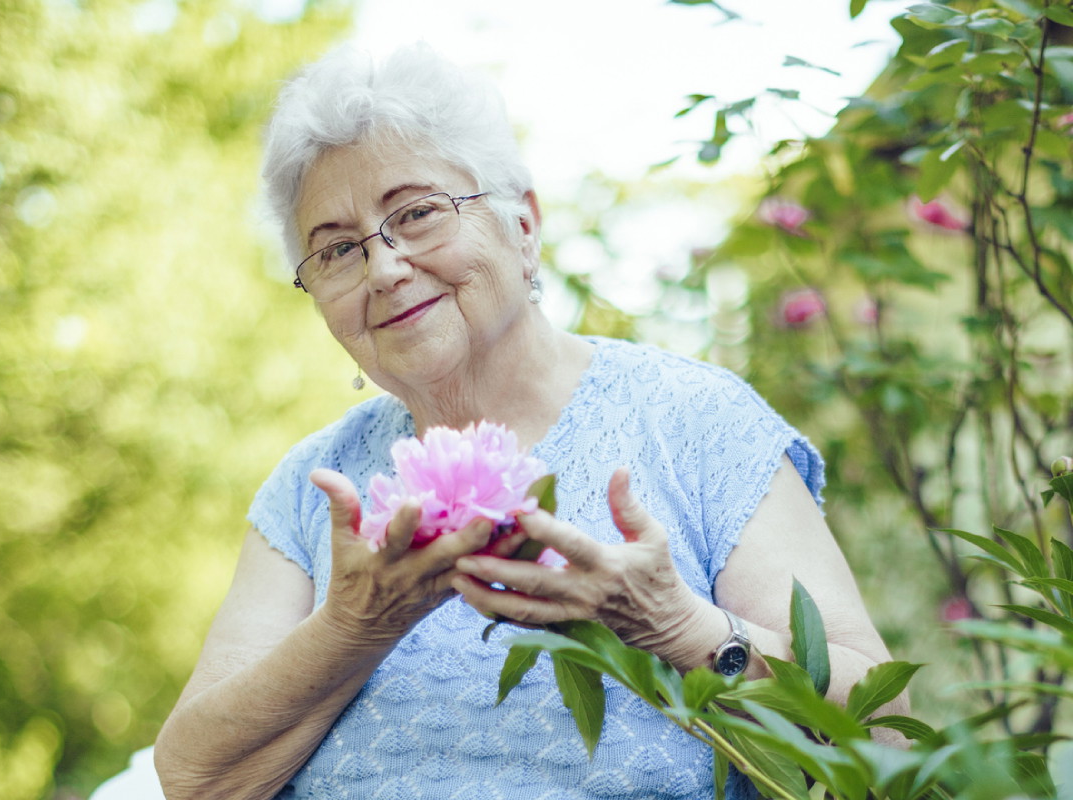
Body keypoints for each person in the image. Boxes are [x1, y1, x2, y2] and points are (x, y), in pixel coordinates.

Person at [152, 43, 904, 800]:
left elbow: (883, 728)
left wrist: (679, 628)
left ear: (524, 226)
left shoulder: (699, 421)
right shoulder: (317, 485)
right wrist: (356, 625)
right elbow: (193, 778)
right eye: (338, 249)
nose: (384, 269)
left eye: (416, 214)